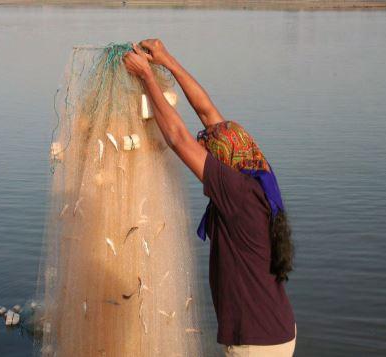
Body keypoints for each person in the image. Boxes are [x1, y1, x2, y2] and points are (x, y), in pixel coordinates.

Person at [123, 39, 296, 357]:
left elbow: (177, 138)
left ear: (225, 164)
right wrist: (167, 60)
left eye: (210, 153)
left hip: (255, 343)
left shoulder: (238, 194)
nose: (205, 151)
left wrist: (147, 77)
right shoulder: (258, 171)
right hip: (278, 329)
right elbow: (207, 113)